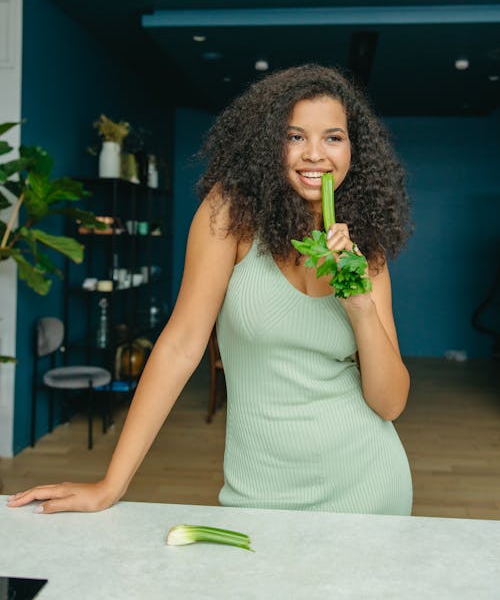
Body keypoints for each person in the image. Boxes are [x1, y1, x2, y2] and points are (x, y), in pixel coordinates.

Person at [8, 63, 414, 516]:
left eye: (333, 137)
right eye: (294, 136)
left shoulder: (366, 254)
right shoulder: (229, 215)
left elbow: (390, 403)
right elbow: (181, 345)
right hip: (260, 491)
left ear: (353, 149)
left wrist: (359, 304)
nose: (314, 154)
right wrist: (111, 484)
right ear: (267, 143)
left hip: (367, 486)